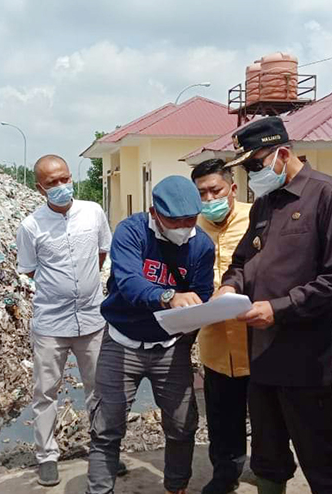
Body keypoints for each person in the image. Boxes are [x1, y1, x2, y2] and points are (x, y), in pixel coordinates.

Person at [215, 117, 332, 494]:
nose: (250, 175)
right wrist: (230, 288)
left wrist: (278, 309)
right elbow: (242, 262)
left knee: (323, 457)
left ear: (282, 153)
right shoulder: (265, 204)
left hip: (308, 359)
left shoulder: (329, 195)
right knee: (268, 455)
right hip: (262, 356)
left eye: (254, 165)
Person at [85, 175, 215, 494]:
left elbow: (201, 293)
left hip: (171, 347)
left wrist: (196, 318)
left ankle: (176, 486)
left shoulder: (201, 246)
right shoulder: (132, 231)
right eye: (175, 219)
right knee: (107, 428)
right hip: (122, 343)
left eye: (190, 218)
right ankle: (99, 490)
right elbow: (129, 283)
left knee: (182, 425)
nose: (184, 226)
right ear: (153, 212)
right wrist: (169, 296)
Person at [15, 154, 115, 487]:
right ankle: (46, 456)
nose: (61, 187)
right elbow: (29, 269)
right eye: (52, 183)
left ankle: (102, 451)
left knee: (99, 389)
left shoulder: (93, 212)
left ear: (71, 177)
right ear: (39, 187)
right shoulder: (31, 226)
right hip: (51, 324)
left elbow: (102, 252)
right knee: (45, 392)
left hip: (91, 318)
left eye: (65, 179)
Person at [190, 158, 252, 494]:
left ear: (232, 187)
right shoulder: (192, 227)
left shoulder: (258, 218)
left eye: (215, 189)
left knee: (268, 415)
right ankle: (224, 473)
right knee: (221, 416)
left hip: (256, 336)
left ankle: (270, 467)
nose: (209, 198)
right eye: (202, 193)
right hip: (215, 342)